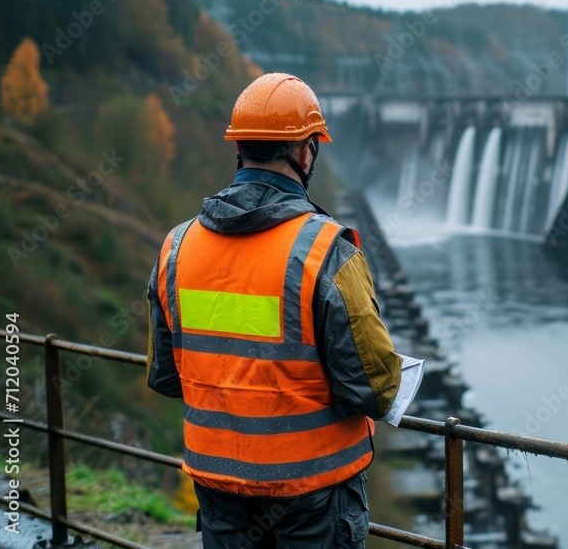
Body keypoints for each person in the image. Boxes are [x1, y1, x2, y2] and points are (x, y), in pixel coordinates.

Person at [147, 72, 405, 548]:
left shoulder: (176, 248)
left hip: (218, 486)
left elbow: (166, 377)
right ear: (306, 151)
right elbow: (376, 389)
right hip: (312, 497)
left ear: (238, 148)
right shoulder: (327, 251)